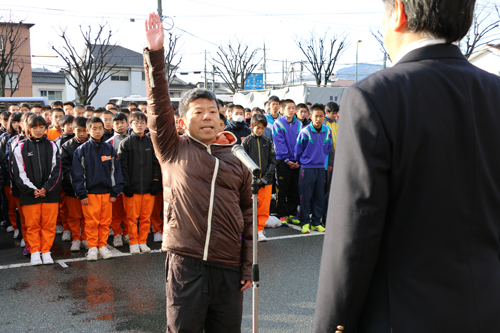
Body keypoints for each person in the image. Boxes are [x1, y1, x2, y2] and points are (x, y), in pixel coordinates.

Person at [313, 1, 500, 332]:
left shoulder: (373, 97)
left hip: (402, 315)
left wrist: (333, 326)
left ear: (398, 12)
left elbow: (353, 235)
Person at [144, 13, 252, 332]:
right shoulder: (172, 148)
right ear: (182, 121)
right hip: (185, 263)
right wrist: (155, 55)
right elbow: (157, 103)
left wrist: (245, 264)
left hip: (229, 267)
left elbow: (247, 211)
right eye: (198, 112)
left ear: (222, 120)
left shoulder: (238, 157)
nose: (207, 117)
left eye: (213, 112)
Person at [71, 117, 124, 261]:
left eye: (100, 128)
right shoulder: (81, 150)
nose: (98, 131)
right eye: (94, 128)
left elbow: (115, 171)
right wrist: (82, 193)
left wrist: (115, 191)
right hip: (90, 194)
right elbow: (77, 174)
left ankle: (102, 246)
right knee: (91, 222)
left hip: (107, 193)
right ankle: (92, 248)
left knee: (106, 222)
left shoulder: (109, 148)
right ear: (88, 130)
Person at [12, 115, 62, 265]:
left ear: (46, 128)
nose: (38, 130)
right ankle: (35, 251)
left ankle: (46, 251)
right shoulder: (20, 146)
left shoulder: (52, 145)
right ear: (28, 129)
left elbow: (57, 170)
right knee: (32, 225)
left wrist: (46, 188)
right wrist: (32, 190)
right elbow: (18, 173)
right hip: (29, 194)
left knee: (48, 224)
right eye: (34, 127)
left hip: (50, 193)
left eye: (41, 127)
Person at [118, 112, 161, 254]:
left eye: (142, 122)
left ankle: (143, 241)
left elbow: (156, 164)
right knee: (131, 218)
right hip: (132, 188)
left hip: (149, 188)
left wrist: (156, 181)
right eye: (136, 123)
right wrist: (126, 184)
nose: (140, 125)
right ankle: (133, 242)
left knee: (145, 217)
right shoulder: (125, 143)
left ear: (146, 125)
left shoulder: (151, 142)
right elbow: (122, 167)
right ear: (131, 125)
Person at [295, 104, 332, 234]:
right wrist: (305, 161)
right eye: (316, 116)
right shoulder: (304, 131)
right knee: (305, 196)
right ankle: (305, 222)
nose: (318, 119)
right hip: (307, 168)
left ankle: (316, 222)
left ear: (324, 117)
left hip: (321, 168)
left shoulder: (327, 131)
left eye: (321, 116)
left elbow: (328, 147)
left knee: (319, 196)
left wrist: (321, 160)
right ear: (311, 117)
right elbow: (298, 151)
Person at [241, 114, 276, 242]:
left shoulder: (267, 142)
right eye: (257, 127)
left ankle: (260, 230)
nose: (260, 130)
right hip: (251, 182)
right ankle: (249, 230)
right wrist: (252, 179)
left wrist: (266, 178)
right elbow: (243, 162)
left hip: (266, 182)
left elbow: (273, 161)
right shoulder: (246, 141)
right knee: (250, 206)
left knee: (264, 207)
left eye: (262, 128)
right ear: (252, 126)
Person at [272, 98, 302, 225]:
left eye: (293, 108)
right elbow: (280, 144)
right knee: (282, 188)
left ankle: (291, 213)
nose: (291, 110)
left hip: (297, 161)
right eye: (289, 108)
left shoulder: (299, 124)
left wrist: (299, 160)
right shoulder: (278, 124)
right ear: (282, 110)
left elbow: (302, 143)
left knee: (295, 188)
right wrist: (287, 159)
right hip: (282, 161)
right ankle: (282, 213)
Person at [61, 117, 89, 251]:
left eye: (84, 131)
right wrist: (75, 183)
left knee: (86, 216)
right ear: (73, 129)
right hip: (72, 189)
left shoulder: (93, 144)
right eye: (78, 130)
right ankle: (76, 238)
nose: (82, 133)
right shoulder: (67, 146)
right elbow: (65, 169)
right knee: (73, 216)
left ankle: (85, 238)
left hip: (89, 188)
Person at [106, 112, 130, 247]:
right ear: (111, 125)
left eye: (122, 122)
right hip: (114, 183)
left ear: (127, 123)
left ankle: (127, 233)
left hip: (130, 182)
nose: (120, 125)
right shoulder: (108, 143)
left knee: (128, 212)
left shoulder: (132, 139)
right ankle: (117, 234)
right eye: (116, 123)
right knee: (115, 212)